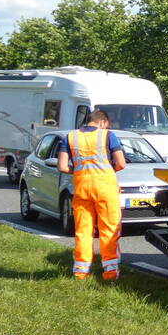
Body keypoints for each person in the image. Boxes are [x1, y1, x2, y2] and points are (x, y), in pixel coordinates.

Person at [57, 109, 127, 281]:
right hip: (105, 188)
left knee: (83, 231)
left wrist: (81, 172)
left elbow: (62, 166)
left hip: (81, 187)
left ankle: (81, 272)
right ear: (102, 122)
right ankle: (110, 273)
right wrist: (107, 170)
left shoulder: (70, 137)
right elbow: (121, 163)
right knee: (109, 230)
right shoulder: (107, 135)